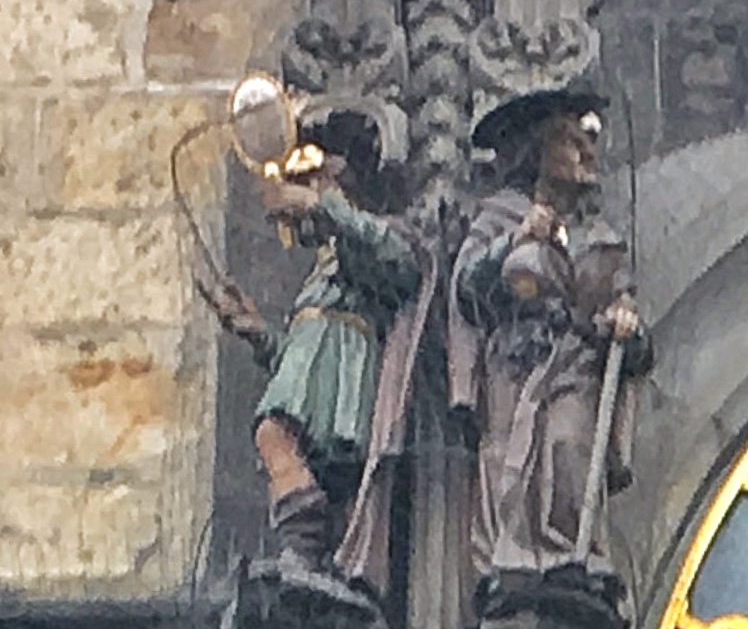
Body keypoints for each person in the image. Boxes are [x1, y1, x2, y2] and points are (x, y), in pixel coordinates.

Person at [207, 103, 425, 579]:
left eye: (309, 180)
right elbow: (301, 352)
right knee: (291, 447)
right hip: (316, 368)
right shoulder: (324, 262)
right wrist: (259, 333)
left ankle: (308, 550)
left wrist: (321, 207)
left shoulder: (373, 237)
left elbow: (399, 265)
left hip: (346, 365)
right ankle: (309, 553)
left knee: (279, 437)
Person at [453, 86, 648, 590]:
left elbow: (630, 326)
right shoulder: (502, 214)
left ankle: (566, 552)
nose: (586, 151)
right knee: (506, 458)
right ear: (536, 152)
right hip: (515, 362)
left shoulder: (599, 239)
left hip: (576, 363)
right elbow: (466, 285)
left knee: (568, 447)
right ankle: (510, 558)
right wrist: (513, 242)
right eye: (569, 140)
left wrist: (623, 323)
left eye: (589, 142)